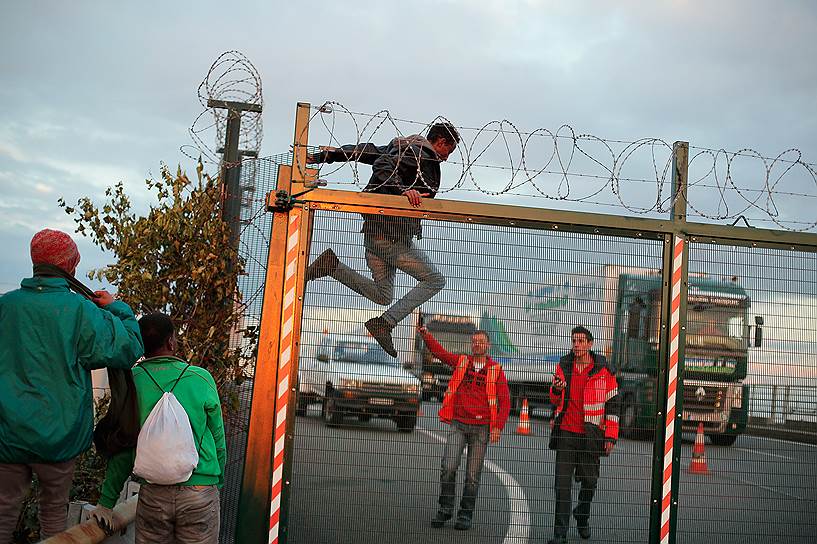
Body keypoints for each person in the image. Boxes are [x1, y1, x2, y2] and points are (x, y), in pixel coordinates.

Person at [0, 228, 144, 542]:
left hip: (7, 436)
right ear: (71, 266)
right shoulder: (81, 310)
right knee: (54, 521)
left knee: (2, 515)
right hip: (59, 438)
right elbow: (130, 346)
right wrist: (117, 307)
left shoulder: (5, 307)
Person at [305, 122, 460, 357]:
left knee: (383, 295)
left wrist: (329, 155)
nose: (447, 158)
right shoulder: (423, 154)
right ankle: (385, 324)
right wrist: (402, 191)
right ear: (441, 142)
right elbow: (383, 164)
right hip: (390, 237)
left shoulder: (402, 147)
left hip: (375, 235)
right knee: (435, 280)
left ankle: (332, 266)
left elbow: (366, 152)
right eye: (449, 151)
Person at [91, 313, 226, 543]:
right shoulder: (200, 378)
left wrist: (106, 501)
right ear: (171, 341)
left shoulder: (132, 381)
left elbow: (123, 446)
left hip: (154, 494)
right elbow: (218, 437)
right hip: (199, 491)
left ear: (141, 345)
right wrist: (216, 480)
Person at [418, 323, 510, 531]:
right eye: (474, 341)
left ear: (488, 345)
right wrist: (425, 334)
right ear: (471, 344)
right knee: (448, 467)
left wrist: (498, 427)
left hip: (481, 429)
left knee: (472, 476)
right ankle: (445, 509)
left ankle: (465, 515)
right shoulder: (461, 362)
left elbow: (505, 402)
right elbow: (439, 353)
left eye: (481, 342)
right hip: (458, 424)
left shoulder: (495, 370)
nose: (477, 345)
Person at [547, 326, 620, 544]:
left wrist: (610, 436)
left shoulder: (603, 370)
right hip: (566, 434)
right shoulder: (564, 366)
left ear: (590, 344)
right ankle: (560, 535)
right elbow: (554, 399)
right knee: (562, 485)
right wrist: (557, 389)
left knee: (589, 482)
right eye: (574, 340)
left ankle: (582, 515)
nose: (576, 344)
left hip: (591, 434)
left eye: (581, 341)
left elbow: (613, 404)